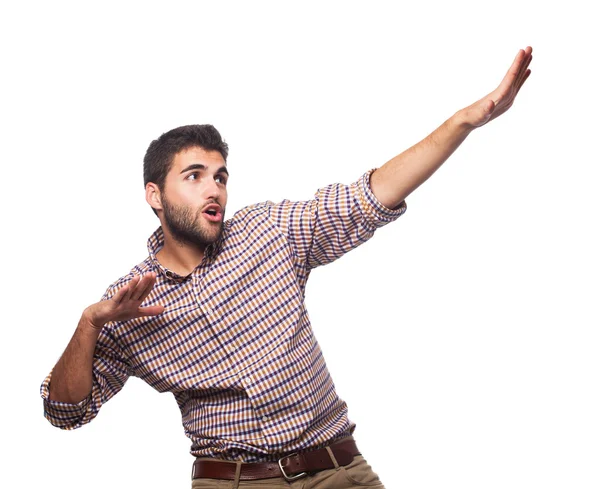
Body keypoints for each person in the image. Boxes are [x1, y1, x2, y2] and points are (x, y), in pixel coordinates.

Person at [41, 46, 533, 488]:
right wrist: (88, 326)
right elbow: (64, 412)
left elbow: (368, 198)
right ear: (155, 195)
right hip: (233, 482)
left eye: (220, 176)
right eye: (194, 177)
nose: (214, 189)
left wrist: (462, 122)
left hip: (336, 470)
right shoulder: (128, 302)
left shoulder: (267, 231)